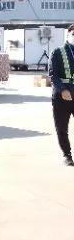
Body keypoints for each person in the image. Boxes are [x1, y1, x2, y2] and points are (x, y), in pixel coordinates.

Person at [49, 24, 74, 166]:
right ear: (68, 34)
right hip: (62, 96)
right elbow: (53, 75)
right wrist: (62, 90)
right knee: (62, 127)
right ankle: (67, 155)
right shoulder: (58, 52)